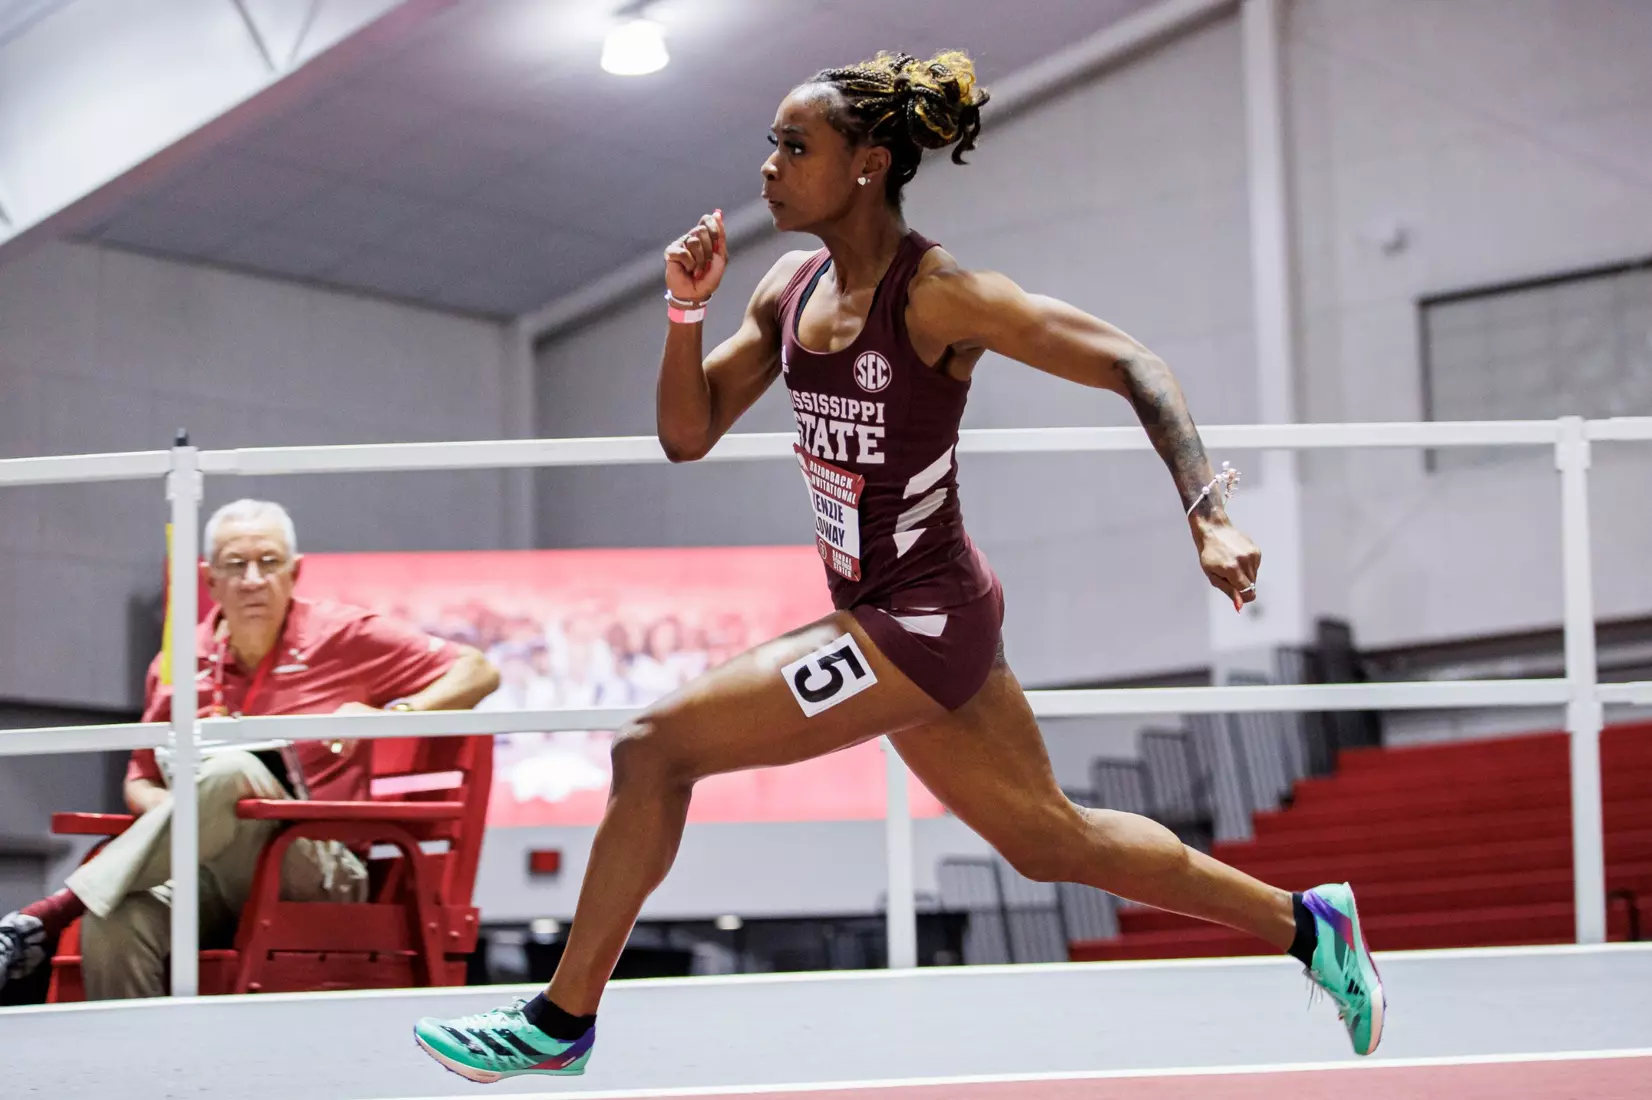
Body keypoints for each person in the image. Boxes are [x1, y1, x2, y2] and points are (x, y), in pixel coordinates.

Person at [413, 50, 1384, 1083]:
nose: (767, 168)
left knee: (653, 748)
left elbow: (1132, 362)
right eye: (770, 145)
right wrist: (683, 309)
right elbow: (685, 434)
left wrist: (1207, 514)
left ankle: (561, 1020)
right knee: (1051, 841)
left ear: (867, 164)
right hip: (903, 614)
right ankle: (1307, 922)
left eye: (794, 147)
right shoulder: (788, 288)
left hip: (917, 623)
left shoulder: (938, 296)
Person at [0, 499, 500, 999]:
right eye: (235, 565)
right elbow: (141, 779)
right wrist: (188, 804)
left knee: (235, 768)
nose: (253, 579)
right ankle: (143, 1070)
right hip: (213, 872)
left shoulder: (343, 636)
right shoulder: (177, 664)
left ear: (295, 572)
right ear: (210, 579)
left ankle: (49, 913)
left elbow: (478, 670)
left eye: (269, 562)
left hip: (317, 867)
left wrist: (393, 716)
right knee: (114, 921)